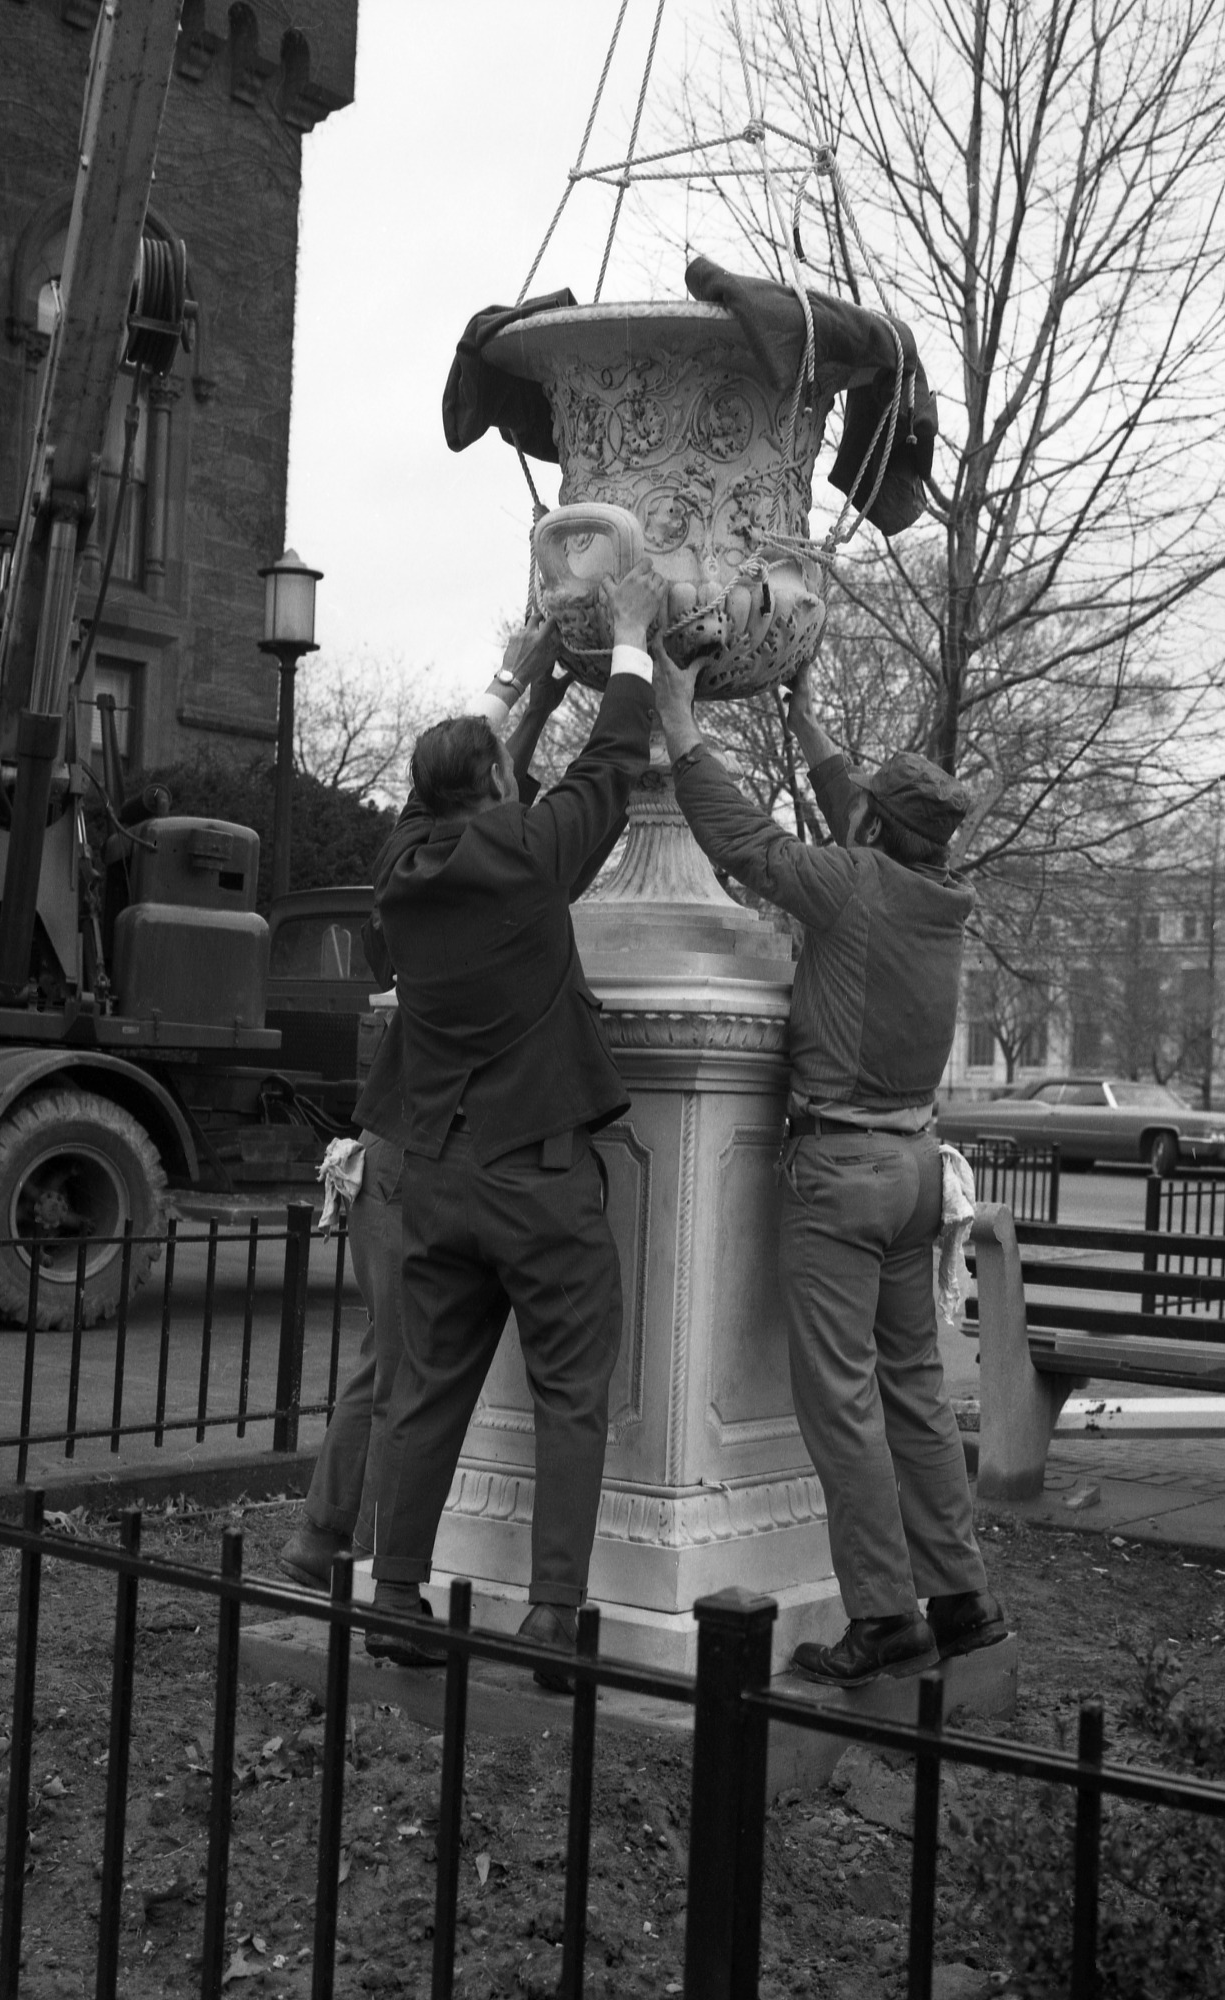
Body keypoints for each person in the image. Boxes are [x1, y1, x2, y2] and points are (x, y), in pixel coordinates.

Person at [654, 656, 1006, 1686]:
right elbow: (863, 812)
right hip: (911, 1166)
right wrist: (807, 725)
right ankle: (963, 1596)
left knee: (841, 1402)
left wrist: (682, 730)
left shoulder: (849, 886)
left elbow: (743, 842)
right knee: (914, 1394)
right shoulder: (937, 891)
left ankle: (885, 1616)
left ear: (870, 835)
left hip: (839, 1171)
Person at [357, 566, 665, 1680]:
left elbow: (441, 780)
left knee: (424, 1392)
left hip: (434, 1176)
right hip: (537, 1181)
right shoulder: (531, 854)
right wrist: (629, 643)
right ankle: (549, 1618)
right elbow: (613, 765)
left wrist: (512, 676)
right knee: (570, 1394)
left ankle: (396, 1596)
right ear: (496, 783)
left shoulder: (397, 868)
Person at [276, 631, 590, 1590]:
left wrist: (519, 692)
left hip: (401, 1152)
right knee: (401, 1371)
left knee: (395, 1363)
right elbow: (483, 811)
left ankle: (341, 1544)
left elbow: (457, 798)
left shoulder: (405, 868)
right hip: (423, 1154)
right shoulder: (486, 884)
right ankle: (336, 1546)